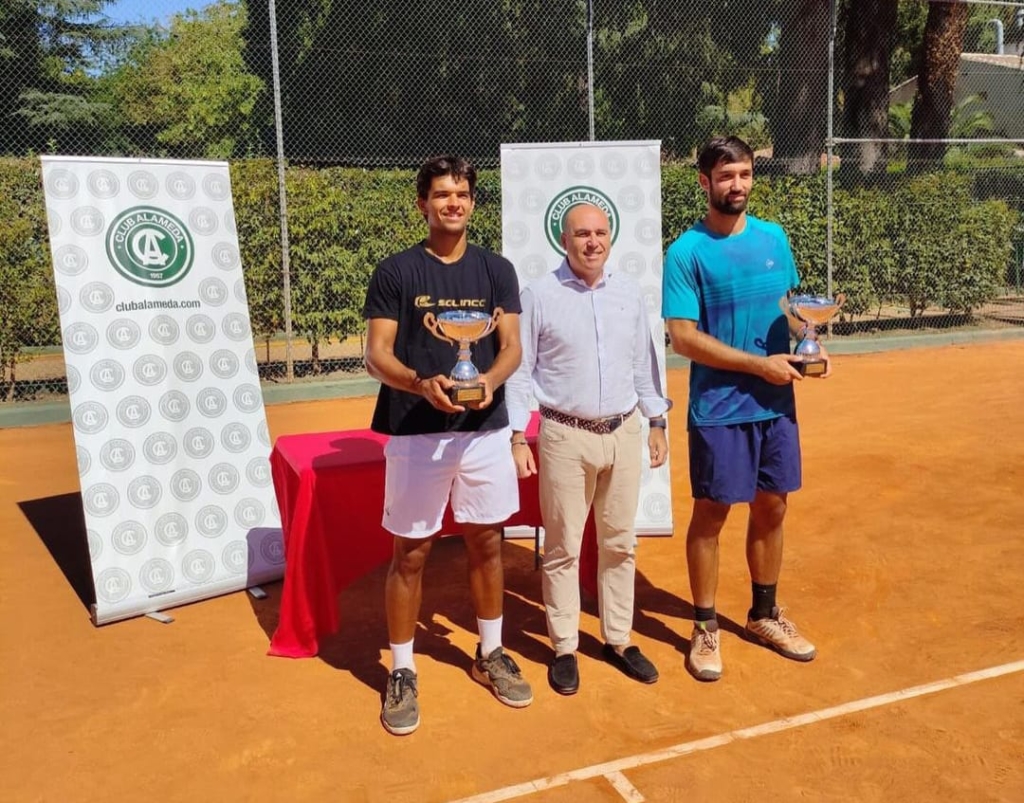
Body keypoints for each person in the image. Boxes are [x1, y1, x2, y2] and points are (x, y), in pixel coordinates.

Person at [363, 154, 533, 735]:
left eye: (461, 193)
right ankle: (403, 669)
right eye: (441, 194)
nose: (452, 203)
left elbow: (510, 346)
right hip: (414, 429)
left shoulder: (496, 270)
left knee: (487, 544)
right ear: (422, 203)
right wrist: (419, 382)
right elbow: (377, 354)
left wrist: (487, 379)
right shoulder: (396, 272)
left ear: (473, 203)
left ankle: (490, 653)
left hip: (483, 431)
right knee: (410, 553)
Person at [662, 135, 827, 683]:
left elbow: (793, 312)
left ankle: (762, 613)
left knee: (773, 506)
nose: (738, 185)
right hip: (719, 407)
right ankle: (705, 623)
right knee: (712, 514)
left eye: (746, 174)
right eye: (727, 176)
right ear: (705, 182)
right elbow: (683, 339)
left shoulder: (775, 238)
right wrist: (757, 366)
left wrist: (810, 346)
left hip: (775, 404)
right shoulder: (685, 252)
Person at [506, 202, 671, 695]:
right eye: (582, 234)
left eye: (600, 233)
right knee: (562, 548)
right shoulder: (538, 294)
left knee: (620, 542)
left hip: (623, 432)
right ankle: (564, 646)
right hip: (563, 435)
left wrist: (656, 419)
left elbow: (643, 361)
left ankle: (618, 639)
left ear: (610, 238)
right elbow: (519, 369)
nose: (592, 242)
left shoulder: (627, 292)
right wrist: (517, 434)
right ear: (564, 239)